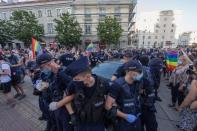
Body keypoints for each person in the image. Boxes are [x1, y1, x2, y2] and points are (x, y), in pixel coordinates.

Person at [50, 56, 110, 131]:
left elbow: (111, 97)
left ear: (88, 76)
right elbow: (65, 97)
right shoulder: (73, 84)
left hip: (98, 123)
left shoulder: (103, 83)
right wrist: (72, 114)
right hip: (80, 123)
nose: (74, 81)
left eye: (77, 79)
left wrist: (112, 107)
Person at [36, 53, 73, 131]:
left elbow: (73, 85)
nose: (41, 69)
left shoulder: (64, 71)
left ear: (49, 64)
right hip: (51, 106)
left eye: (42, 67)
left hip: (63, 109)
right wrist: (42, 87)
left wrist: (58, 72)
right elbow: (44, 84)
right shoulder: (47, 73)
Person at [105, 60, 142, 131]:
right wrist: (126, 117)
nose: (139, 74)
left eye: (140, 72)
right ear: (128, 71)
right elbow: (108, 106)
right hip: (123, 122)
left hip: (136, 119)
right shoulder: (117, 85)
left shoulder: (137, 83)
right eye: (138, 71)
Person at [139, 56, 158, 131]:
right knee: (151, 124)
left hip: (143, 101)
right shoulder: (151, 70)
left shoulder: (140, 70)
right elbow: (156, 82)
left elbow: (138, 88)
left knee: (141, 122)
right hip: (151, 100)